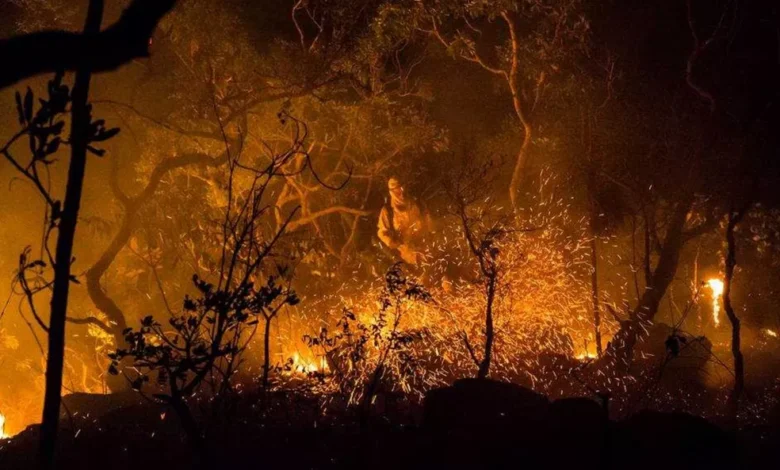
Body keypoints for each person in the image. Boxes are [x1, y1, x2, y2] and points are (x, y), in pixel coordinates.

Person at [377, 176, 432, 266]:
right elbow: (381, 232)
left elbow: (427, 220)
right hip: (406, 256)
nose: (401, 191)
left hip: (425, 250)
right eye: (397, 190)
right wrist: (391, 242)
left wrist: (429, 232)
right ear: (392, 192)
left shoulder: (415, 203)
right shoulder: (388, 210)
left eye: (402, 187)